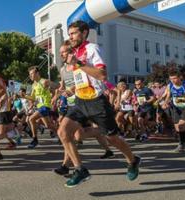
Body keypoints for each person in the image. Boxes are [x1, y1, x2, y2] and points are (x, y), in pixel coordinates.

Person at [57, 21, 141, 188]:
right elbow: (83, 79)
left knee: (112, 139)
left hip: (96, 102)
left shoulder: (92, 49)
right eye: (70, 33)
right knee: (63, 132)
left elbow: (102, 75)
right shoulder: (75, 52)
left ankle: (133, 160)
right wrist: (71, 90)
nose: (71, 36)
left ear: (84, 33)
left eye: (73, 33)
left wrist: (79, 63)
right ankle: (80, 169)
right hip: (80, 101)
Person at [21, 66, 57, 149]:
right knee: (48, 125)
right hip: (39, 106)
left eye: (31, 74)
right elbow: (33, 98)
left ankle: (35, 139)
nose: (30, 76)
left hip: (45, 106)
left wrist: (55, 96)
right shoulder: (34, 85)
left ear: (37, 73)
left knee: (31, 119)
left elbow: (57, 86)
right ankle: (62, 133)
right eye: (29, 74)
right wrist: (24, 96)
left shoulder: (44, 81)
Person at [163, 70, 185, 152]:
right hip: (175, 108)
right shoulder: (170, 85)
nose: (173, 80)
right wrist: (165, 102)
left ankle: (181, 144)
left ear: (180, 77)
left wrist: (181, 100)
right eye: (171, 79)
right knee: (177, 128)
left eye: (175, 78)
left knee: (181, 125)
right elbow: (168, 96)